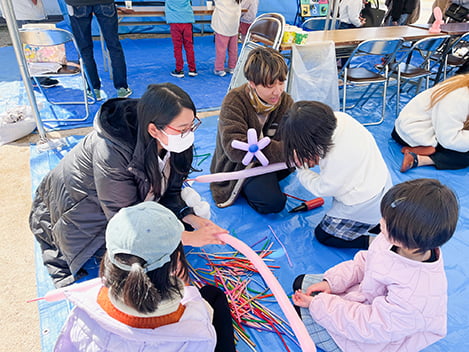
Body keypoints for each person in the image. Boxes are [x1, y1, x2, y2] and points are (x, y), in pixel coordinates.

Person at [30, 83, 227, 288]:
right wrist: (186, 238)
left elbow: (172, 190)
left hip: (124, 206)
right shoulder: (110, 153)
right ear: (153, 129)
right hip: (79, 218)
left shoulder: (175, 139)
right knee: (141, 266)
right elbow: (126, 222)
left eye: (192, 125)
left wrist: (190, 217)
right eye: (182, 129)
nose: (189, 133)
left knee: (171, 235)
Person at [291, 178, 459, 352]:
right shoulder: (398, 241)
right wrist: (331, 283)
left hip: (378, 337)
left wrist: (318, 305)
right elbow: (366, 261)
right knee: (301, 285)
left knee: (301, 311)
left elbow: (371, 327)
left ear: (409, 238)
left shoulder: (416, 295)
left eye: (387, 223)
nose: (380, 223)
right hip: (368, 298)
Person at [54, 201, 236, 352]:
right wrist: (191, 294)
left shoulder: (82, 308)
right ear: (177, 263)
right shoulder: (197, 331)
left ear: (109, 259)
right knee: (213, 295)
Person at [281, 101, 392, 249]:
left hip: (363, 202)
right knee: (376, 222)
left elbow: (323, 189)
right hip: (381, 183)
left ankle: (376, 244)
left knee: (324, 235)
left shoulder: (337, 158)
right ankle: (381, 225)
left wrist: (302, 170)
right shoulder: (341, 119)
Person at [210, 47, 294, 213]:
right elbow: (234, 150)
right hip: (238, 166)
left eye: (281, 82)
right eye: (270, 85)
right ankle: (246, 188)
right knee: (273, 203)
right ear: (252, 83)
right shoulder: (234, 101)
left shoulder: (285, 101)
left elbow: (290, 140)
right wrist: (286, 151)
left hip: (269, 161)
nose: (277, 91)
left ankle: (258, 184)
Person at [393, 73, 469, 172]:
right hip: (413, 134)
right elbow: (449, 140)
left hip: (413, 128)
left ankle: (417, 157)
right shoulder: (459, 98)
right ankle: (420, 158)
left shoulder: (463, 83)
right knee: (465, 156)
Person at [64, 0, 132, 99]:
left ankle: (93, 89)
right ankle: (122, 87)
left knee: (84, 48)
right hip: (105, 3)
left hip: (77, 4)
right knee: (114, 46)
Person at [0, 0, 59, 88]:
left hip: (17, 11)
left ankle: (36, 75)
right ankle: (37, 77)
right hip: (24, 12)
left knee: (28, 46)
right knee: (31, 47)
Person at [165, 0, 198, 78]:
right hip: (187, 20)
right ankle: (192, 69)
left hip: (175, 22)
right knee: (189, 46)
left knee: (177, 47)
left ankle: (179, 69)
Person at [211, 0, 242, 76]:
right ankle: (232, 67)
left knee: (221, 49)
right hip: (234, 26)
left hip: (222, 26)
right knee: (233, 49)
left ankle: (219, 68)